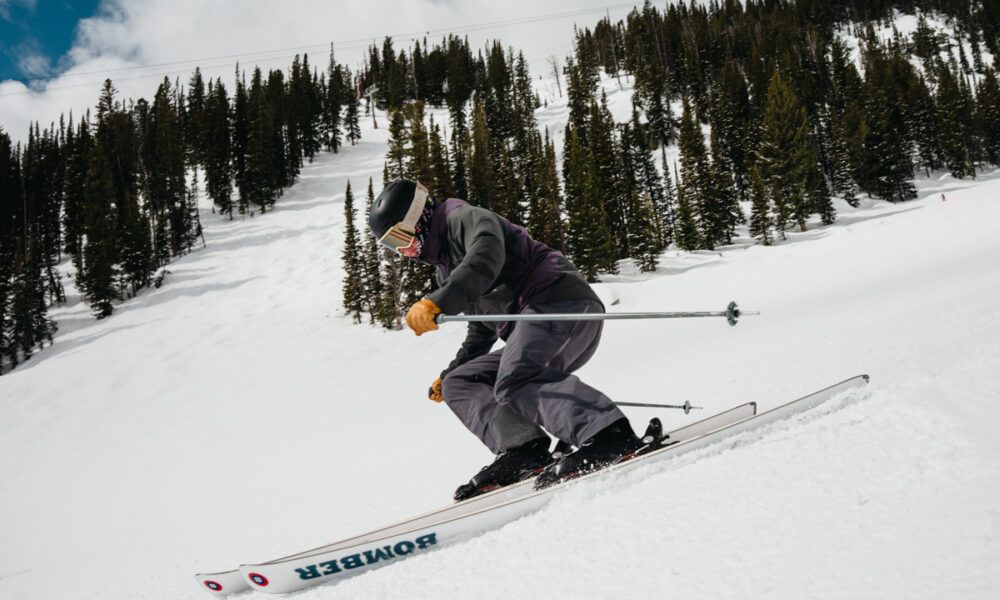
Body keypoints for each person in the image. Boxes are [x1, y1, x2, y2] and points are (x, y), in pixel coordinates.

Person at [369, 179, 641, 501]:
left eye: (400, 237)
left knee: (516, 377)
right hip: (534, 329)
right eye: (390, 246)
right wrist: (451, 371)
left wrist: (439, 300)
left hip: (559, 306)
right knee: (462, 382)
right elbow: (481, 327)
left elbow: (486, 256)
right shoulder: (446, 268)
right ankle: (523, 449)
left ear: (418, 217)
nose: (402, 251)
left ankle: (608, 434)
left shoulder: (464, 219)